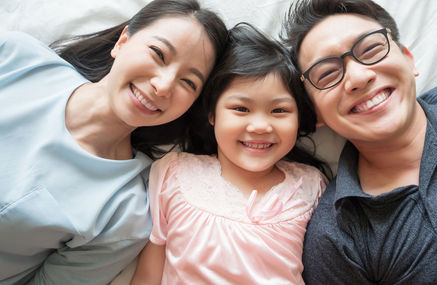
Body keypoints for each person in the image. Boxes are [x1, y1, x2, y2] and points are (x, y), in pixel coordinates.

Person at [0, 0, 228, 284]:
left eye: (188, 82)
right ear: (123, 41)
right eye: (158, 53)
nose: (164, 85)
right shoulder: (15, 56)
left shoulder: (123, 213)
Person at [281, 0, 437, 283]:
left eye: (371, 49)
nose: (358, 77)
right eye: (327, 73)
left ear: (408, 59)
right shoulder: (338, 238)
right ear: (315, 113)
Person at [130, 23, 330, 285]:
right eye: (241, 109)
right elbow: (147, 276)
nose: (260, 126)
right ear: (212, 114)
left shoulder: (311, 186)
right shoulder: (174, 173)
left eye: (279, 111)